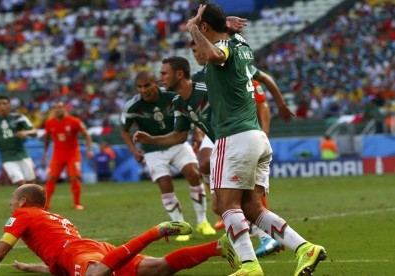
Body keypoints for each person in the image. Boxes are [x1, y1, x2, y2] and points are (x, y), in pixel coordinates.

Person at [186, 4, 326, 275]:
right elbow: (224, 43)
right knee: (251, 207)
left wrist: (193, 27)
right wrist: (221, 24)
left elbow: (214, 52)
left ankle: (250, 266)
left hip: (235, 136)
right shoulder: (241, 43)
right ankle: (305, 248)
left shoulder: (223, 47)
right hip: (256, 136)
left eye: (197, 26)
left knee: (225, 205)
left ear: (204, 27)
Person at [134, 56, 286, 258]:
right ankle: (282, 243)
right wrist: (152, 140)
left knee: (245, 202)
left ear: (179, 74)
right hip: (224, 144)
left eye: (164, 74)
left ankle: (263, 244)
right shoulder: (179, 101)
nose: (161, 78)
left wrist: (260, 127)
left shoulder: (212, 87)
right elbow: (179, 136)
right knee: (221, 204)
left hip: (238, 142)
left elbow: (251, 98)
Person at [0, 183, 239, 276]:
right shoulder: (57, 219)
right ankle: (217, 246)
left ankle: (154, 231)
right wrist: (29, 267)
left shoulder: (22, 214)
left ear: (23, 201)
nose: (10, 202)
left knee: (96, 275)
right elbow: (63, 266)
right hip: (94, 249)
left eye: (13, 197)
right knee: (160, 268)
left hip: (80, 252)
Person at [121, 71, 215, 241]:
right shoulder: (132, 106)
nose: (143, 90)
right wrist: (133, 150)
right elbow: (123, 129)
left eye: (147, 85)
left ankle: (203, 221)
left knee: (193, 173)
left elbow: (192, 110)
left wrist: (198, 132)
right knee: (165, 184)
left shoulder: (172, 96)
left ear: (156, 83)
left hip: (177, 142)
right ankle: (179, 226)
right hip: (152, 150)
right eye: (140, 87)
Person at [42, 101, 94, 210]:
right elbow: (47, 138)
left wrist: (89, 150)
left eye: (60, 107)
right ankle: (46, 204)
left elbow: (86, 135)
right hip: (58, 153)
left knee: (74, 178)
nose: (58, 110)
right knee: (51, 178)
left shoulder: (75, 121)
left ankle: (77, 203)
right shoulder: (49, 123)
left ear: (65, 109)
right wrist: (45, 153)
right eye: (56, 108)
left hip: (72, 153)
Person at [0, 96, 37, 186]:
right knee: (20, 182)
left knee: (31, 183)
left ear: (9, 105)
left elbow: (34, 132)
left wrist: (26, 132)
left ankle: (31, 200)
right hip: (6, 157)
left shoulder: (19, 117)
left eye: (5, 104)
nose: (2, 106)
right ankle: (24, 199)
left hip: (22, 154)